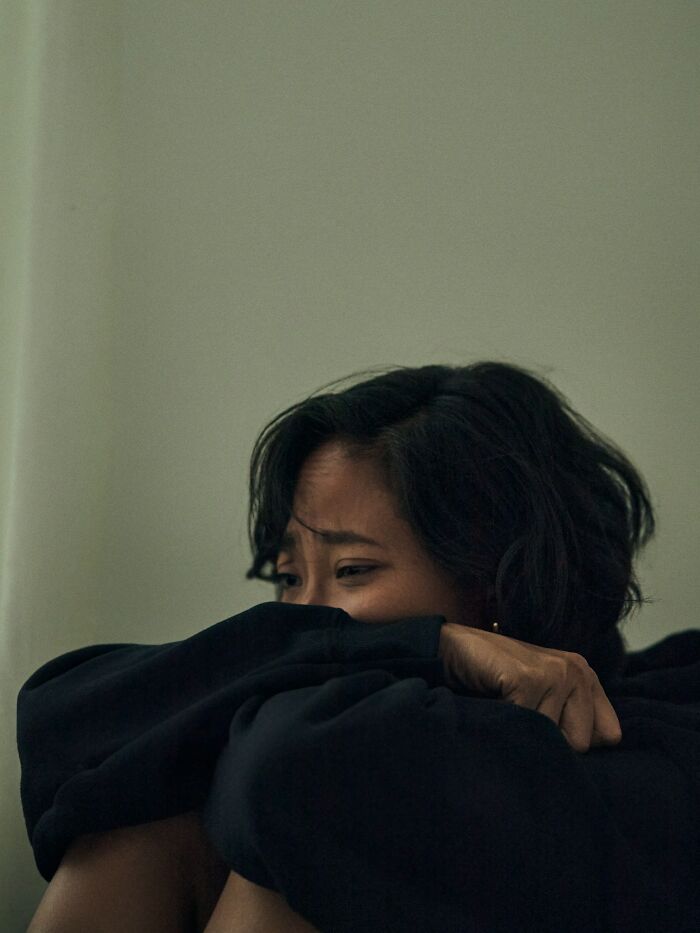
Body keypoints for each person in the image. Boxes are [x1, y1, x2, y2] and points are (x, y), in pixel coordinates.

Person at [18, 361, 700, 932]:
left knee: (284, 870)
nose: (307, 616)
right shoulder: (366, 705)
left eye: (352, 571)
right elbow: (65, 721)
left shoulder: (661, 724)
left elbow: (291, 771)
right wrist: (430, 646)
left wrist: (413, 653)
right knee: (142, 818)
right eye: (289, 578)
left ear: (496, 581)